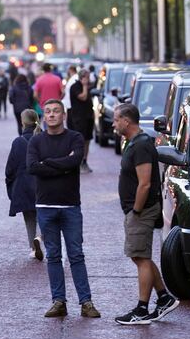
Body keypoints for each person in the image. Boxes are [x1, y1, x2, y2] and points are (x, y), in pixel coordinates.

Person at [26, 99, 100, 318]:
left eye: (56, 111)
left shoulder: (75, 138)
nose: (51, 115)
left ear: (63, 115)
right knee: (54, 256)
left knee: (76, 255)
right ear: (43, 116)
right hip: (45, 206)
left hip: (70, 206)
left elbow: (75, 161)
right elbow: (32, 167)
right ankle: (59, 301)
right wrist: (61, 164)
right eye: (47, 112)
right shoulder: (36, 141)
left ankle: (86, 302)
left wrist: (47, 163)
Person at [112, 103, 179, 324]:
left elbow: (144, 183)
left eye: (116, 119)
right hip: (137, 209)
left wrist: (137, 211)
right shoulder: (135, 142)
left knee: (140, 257)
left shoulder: (140, 145)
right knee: (140, 256)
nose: (113, 123)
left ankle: (142, 309)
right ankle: (163, 298)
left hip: (141, 210)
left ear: (126, 121)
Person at [5, 109, 43, 261]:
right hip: (41, 182)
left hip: (23, 184)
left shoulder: (18, 142)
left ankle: (33, 248)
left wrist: (10, 184)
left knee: (29, 217)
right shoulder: (44, 139)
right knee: (42, 216)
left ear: (22, 122)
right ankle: (39, 238)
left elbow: (10, 167)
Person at [69, 68, 94, 173]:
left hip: (88, 117)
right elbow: (83, 97)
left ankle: (84, 161)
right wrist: (84, 86)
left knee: (87, 139)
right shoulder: (75, 87)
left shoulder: (87, 87)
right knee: (80, 140)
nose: (88, 80)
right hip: (79, 118)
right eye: (86, 78)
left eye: (88, 78)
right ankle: (77, 162)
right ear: (81, 78)